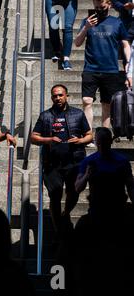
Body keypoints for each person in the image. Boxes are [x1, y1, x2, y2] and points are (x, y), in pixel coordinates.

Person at [31, 84, 93, 240]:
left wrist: (80, 141)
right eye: (54, 96)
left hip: (74, 161)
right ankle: (58, 229)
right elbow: (33, 137)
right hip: (52, 163)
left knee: (74, 192)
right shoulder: (45, 115)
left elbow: (89, 135)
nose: (57, 98)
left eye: (60, 95)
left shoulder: (78, 114)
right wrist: (49, 139)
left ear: (67, 96)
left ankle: (65, 214)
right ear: (52, 97)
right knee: (55, 195)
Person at [74, 0, 131, 131]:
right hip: (90, 68)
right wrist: (86, 27)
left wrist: (128, 62)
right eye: (97, 7)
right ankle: (88, 135)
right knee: (87, 100)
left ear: (109, 5)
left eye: (103, 7)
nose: (99, 9)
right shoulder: (87, 21)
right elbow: (77, 43)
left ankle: (104, 135)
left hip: (110, 69)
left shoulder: (117, 23)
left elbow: (126, 44)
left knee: (107, 105)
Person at [75, 127, 134, 212]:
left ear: (110, 142)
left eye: (104, 143)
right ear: (95, 142)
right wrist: (86, 175)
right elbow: (77, 188)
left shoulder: (122, 161)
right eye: (99, 144)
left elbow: (131, 186)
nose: (101, 147)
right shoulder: (88, 161)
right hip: (97, 208)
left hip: (118, 206)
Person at [45, 0, 78, 70]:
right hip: (52, 2)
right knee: (53, 26)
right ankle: (57, 50)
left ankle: (66, 59)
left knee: (68, 27)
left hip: (69, 2)